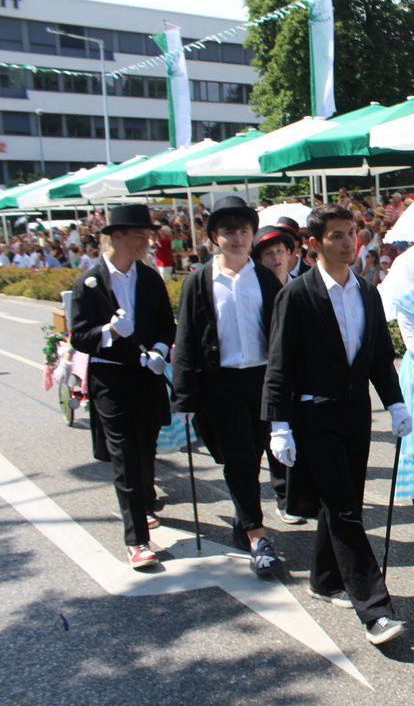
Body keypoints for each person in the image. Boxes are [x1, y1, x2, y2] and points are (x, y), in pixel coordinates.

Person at [263, 204, 412, 645]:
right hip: (314, 414)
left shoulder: (367, 292)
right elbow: (280, 364)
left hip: (355, 414)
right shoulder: (298, 294)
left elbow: (380, 358)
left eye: (352, 233)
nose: (350, 243)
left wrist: (396, 403)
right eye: (337, 236)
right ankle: (375, 609)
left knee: (340, 500)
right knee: (347, 510)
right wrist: (279, 424)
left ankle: (325, 578)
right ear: (313, 245)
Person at [172, 198, 286, 575]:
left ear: (252, 236)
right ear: (213, 238)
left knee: (256, 452)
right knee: (239, 458)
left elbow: (282, 335)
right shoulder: (200, 282)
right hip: (221, 383)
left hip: (262, 379)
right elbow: (187, 338)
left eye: (243, 231)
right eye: (228, 232)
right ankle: (256, 534)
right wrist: (184, 394)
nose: (237, 238)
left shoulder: (265, 279)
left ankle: (244, 517)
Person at [68, 205, 176, 569]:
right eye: (139, 237)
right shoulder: (90, 283)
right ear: (116, 237)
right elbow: (80, 336)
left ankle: (143, 502)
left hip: (147, 373)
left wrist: (160, 350)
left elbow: (166, 324)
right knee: (125, 453)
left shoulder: (149, 279)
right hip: (110, 378)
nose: (146, 243)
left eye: (148, 237)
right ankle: (137, 540)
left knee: (146, 446)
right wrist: (109, 333)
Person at [250, 224, 304, 525]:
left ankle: (297, 494)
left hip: (302, 373)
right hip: (266, 372)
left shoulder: (304, 282)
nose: (276, 258)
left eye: (281, 251)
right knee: (272, 432)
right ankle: (280, 497)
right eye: (268, 253)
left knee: (300, 433)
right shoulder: (255, 288)